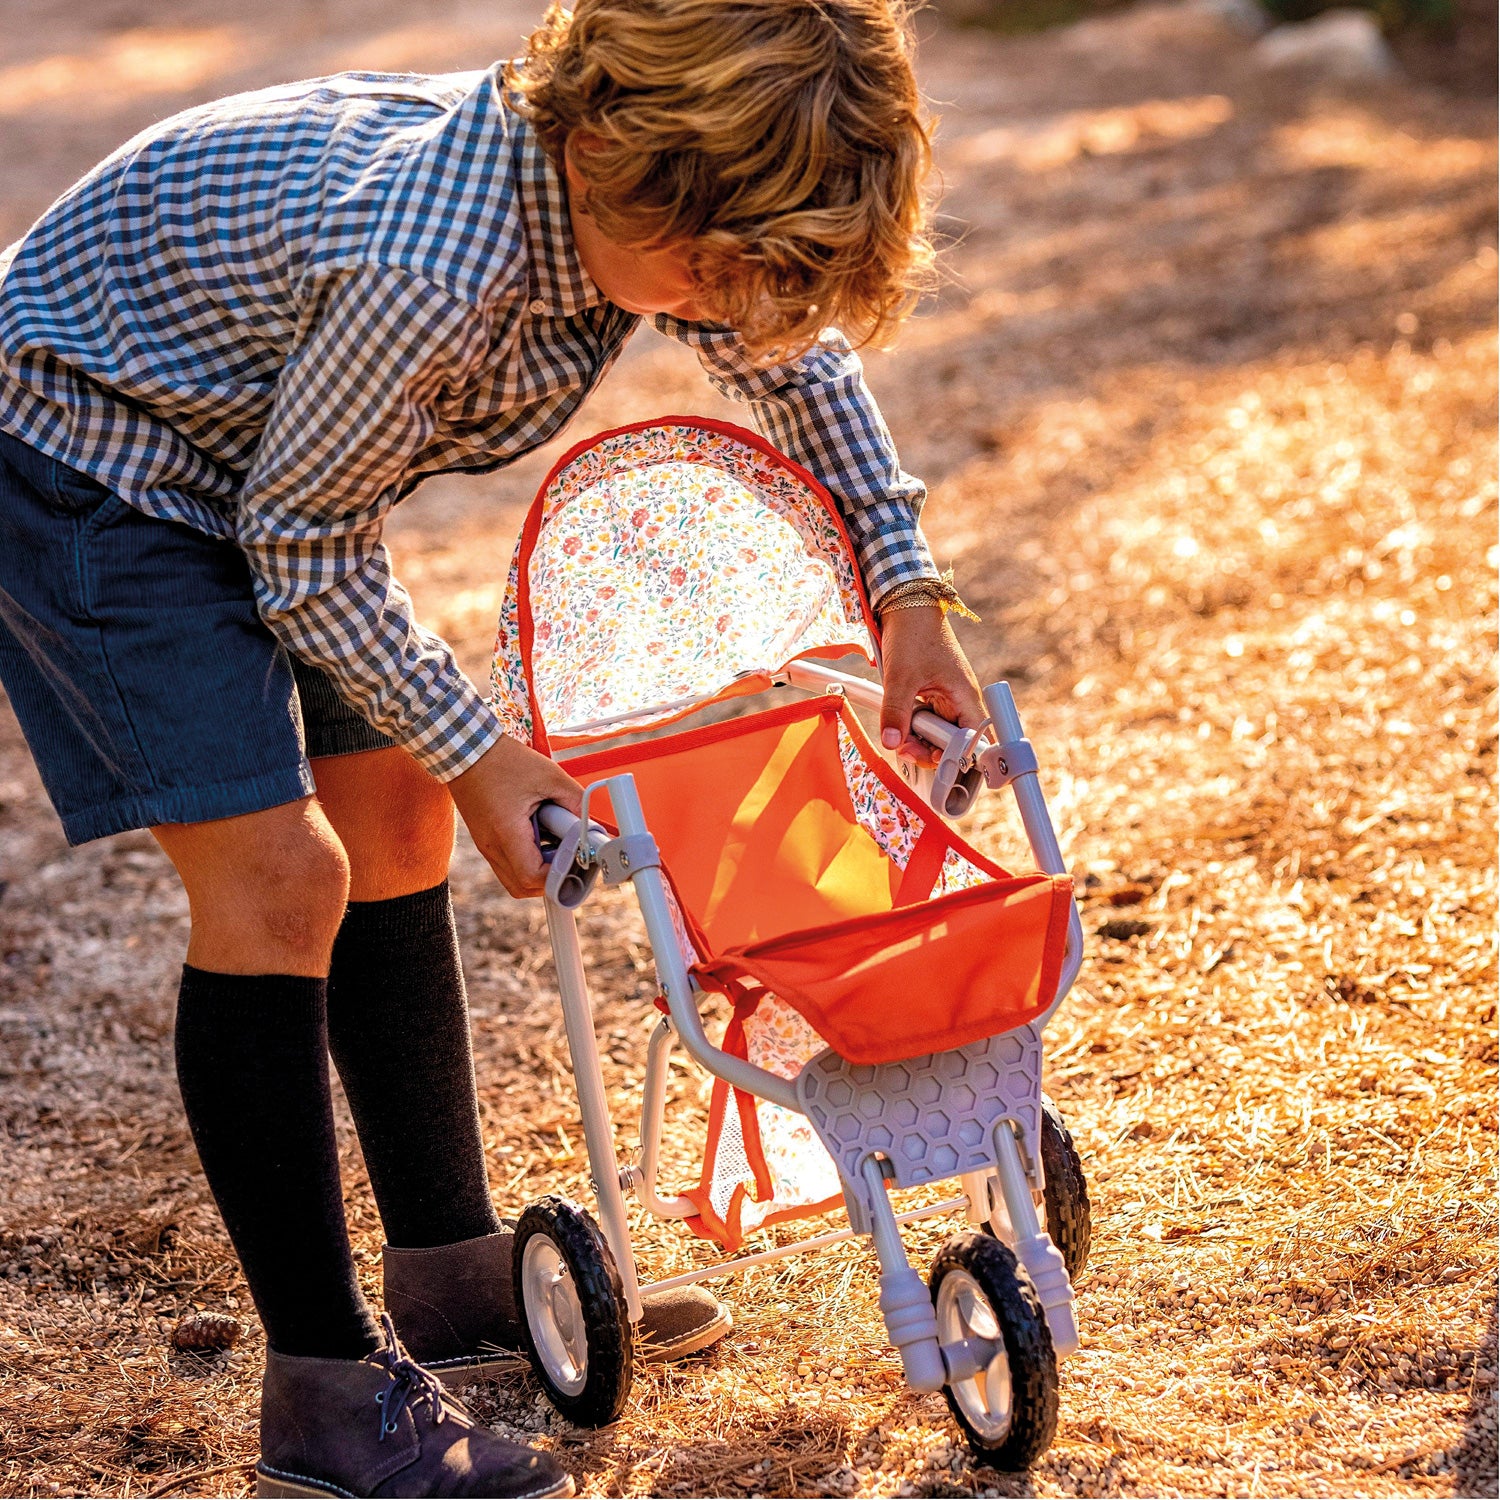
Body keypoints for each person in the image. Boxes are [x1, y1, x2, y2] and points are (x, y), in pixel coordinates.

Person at [0, 1, 985, 1495]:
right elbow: (303, 543)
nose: (738, 304)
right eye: (720, 272)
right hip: (93, 454)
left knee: (390, 817)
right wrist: (484, 750)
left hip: (262, 460)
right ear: (606, 162)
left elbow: (799, 360)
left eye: (758, 276)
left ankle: (455, 1282)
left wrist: (906, 587)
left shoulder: (651, 203)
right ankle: (326, 1405)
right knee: (283, 882)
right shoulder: (437, 269)